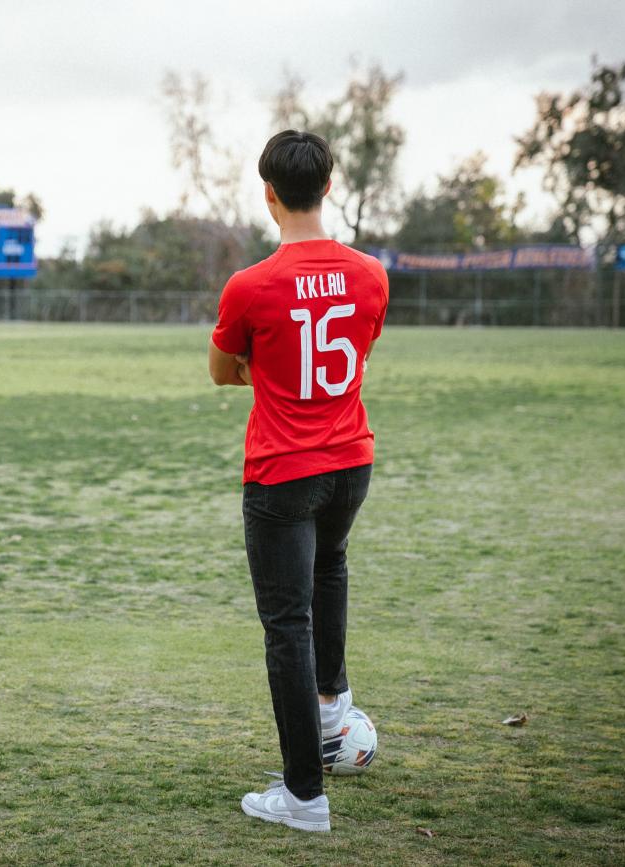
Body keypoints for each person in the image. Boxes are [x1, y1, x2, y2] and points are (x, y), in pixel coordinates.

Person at [208, 129, 389, 833]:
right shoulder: (372, 273)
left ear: (269, 193)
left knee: (287, 624)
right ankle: (333, 708)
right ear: (331, 186)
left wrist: (271, 368)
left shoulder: (250, 285)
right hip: (351, 463)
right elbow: (358, 350)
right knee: (332, 567)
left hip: (284, 470)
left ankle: (305, 796)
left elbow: (223, 370)